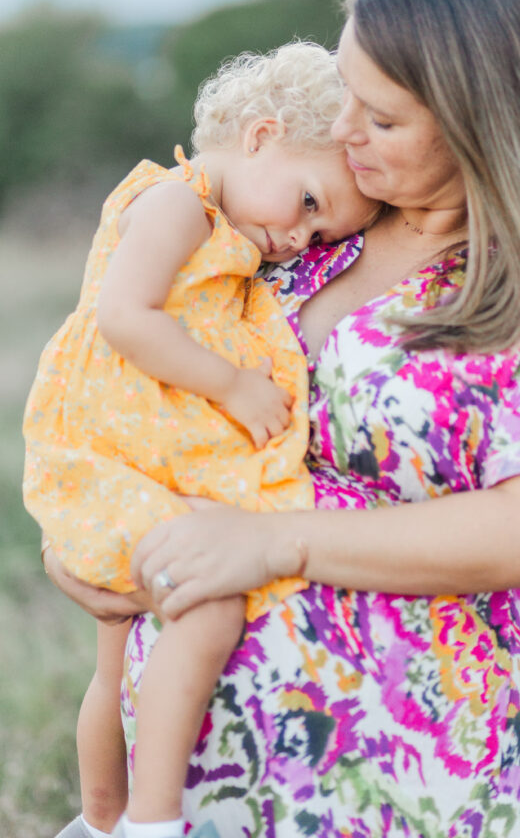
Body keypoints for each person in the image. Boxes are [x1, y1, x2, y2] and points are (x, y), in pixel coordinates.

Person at [45, 0, 520, 838]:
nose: (343, 131)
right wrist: (90, 535)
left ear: (478, 122)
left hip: (401, 785)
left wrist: (270, 546)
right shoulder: (305, 229)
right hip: (192, 784)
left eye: (380, 118)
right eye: (345, 91)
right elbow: (145, 387)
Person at [23, 41, 379, 838]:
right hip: (111, 456)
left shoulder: (234, 231)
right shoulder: (178, 204)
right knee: (205, 612)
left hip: (142, 458)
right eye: (310, 205)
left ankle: (100, 821)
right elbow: (124, 315)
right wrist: (230, 384)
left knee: (117, 659)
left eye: (322, 237)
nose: (301, 241)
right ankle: (147, 821)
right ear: (260, 135)